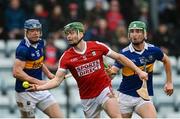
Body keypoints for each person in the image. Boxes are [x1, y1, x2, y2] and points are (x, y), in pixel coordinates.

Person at [28, 22, 148, 118]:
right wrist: (38, 88)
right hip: (87, 98)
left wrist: (139, 71)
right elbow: (56, 81)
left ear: (81, 33)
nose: (68, 36)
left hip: (104, 90)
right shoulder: (66, 57)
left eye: (71, 33)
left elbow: (119, 57)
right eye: (67, 34)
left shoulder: (97, 46)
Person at [107, 21, 174, 118]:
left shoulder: (153, 50)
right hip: (125, 97)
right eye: (132, 31)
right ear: (129, 35)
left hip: (143, 96)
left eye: (138, 31)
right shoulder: (124, 53)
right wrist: (110, 74)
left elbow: (166, 60)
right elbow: (114, 71)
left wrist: (169, 82)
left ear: (145, 34)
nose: (135, 34)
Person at [12, 19, 63, 118]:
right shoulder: (23, 49)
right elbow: (16, 73)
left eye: (38, 30)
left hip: (40, 89)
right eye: (32, 30)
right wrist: (38, 82)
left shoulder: (40, 42)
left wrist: (48, 74)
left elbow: (39, 61)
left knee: (59, 117)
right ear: (26, 32)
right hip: (25, 92)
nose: (36, 33)